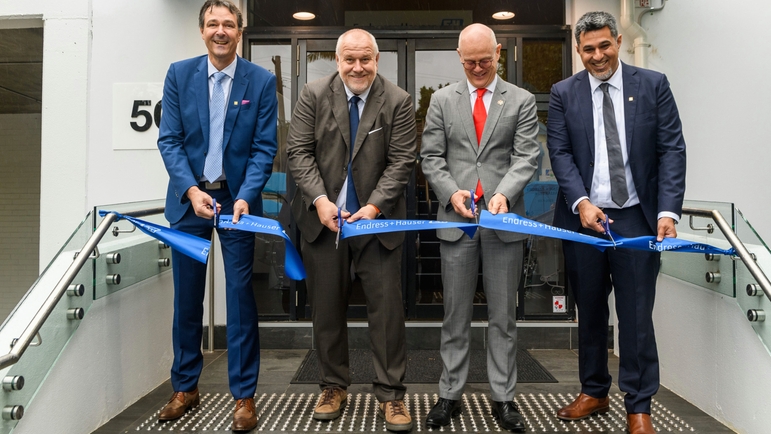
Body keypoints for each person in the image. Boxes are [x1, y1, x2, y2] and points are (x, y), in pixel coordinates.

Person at [546, 11, 686, 434]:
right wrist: (582, 202)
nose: (597, 55)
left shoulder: (652, 85)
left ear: (619, 41)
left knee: (636, 314)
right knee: (588, 309)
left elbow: (671, 150)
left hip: (636, 218)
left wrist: (667, 211)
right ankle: (594, 390)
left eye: (604, 45)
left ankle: (638, 405)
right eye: (588, 48)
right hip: (583, 218)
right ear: (577, 50)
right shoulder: (562, 93)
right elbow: (561, 153)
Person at [286, 29, 416, 432]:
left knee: (387, 314)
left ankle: (391, 395)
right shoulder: (312, 94)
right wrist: (321, 202)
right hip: (324, 223)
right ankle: (332, 386)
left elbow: (403, 161)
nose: (358, 67)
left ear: (377, 60)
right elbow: (298, 152)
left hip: (377, 224)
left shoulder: (398, 100)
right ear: (337, 59)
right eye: (350, 59)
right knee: (325, 310)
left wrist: (374, 206)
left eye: (366, 59)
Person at [156, 0, 278, 431]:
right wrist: (190, 190)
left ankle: (244, 397)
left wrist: (246, 195)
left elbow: (265, 148)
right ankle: (185, 387)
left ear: (239, 32)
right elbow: (169, 139)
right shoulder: (179, 74)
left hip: (238, 204)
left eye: (228, 23)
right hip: (190, 200)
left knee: (241, 298)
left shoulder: (260, 80)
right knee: (186, 298)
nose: (220, 30)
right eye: (213, 24)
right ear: (202, 30)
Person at [420, 23, 540, 433]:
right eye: (469, 61)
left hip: (503, 222)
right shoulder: (441, 100)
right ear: (459, 57)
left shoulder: (520, 100)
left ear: (499, 52)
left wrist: (503, 194)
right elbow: (431, 157)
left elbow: (527, 156)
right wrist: (451, 193)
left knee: (504, 316)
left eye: (484, 61)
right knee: (454, 314)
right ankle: (449, 394)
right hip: (456, 221)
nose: (477, 68)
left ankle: (504, 399)